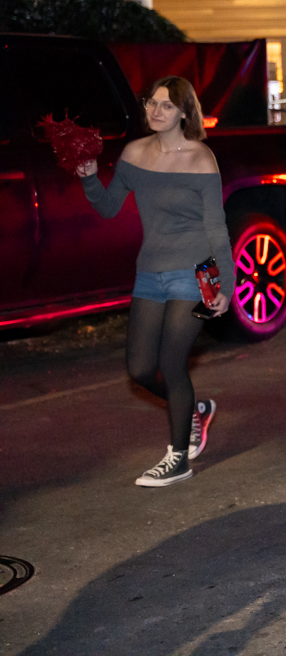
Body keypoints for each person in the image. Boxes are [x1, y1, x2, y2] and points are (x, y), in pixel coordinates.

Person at [76, 76, 231, 487]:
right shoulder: (134, 154)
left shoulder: (201, 158)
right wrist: (90, 177)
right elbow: (109, 208)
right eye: (150, 104)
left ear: (184, 111)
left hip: (197, 272)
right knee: (141, 369)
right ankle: (194, 412)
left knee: (171, 362)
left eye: (165, 105)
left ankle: (177, 458)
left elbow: (217, 228)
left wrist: (227, 286)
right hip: (150, 272)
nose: (155, 111)